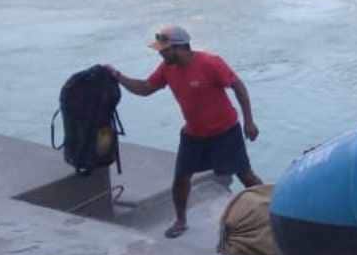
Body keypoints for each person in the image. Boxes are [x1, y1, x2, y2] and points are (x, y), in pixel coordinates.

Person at [109, 25, 262, 239]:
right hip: (193, 135)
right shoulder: (166, 68)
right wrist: (118, 76)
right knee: (181, 178)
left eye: (164, 49)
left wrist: (249, 122)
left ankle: (271, 208)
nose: (161, 53)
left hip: (225, 132)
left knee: (245, 175)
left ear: (180, 48)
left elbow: (238, 87)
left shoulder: (210, 63)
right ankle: (180, 220)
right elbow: (145, 88)